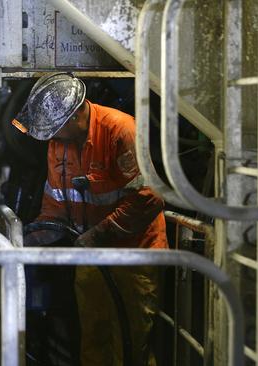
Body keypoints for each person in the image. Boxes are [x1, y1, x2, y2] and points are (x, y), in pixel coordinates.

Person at [12, 72, 168, 366]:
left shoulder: (120, 130)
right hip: (91, 258)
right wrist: (27, 240)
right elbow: (55, 205)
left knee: (131, 345)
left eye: (56, 129)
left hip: (132, 257)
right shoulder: (59, 144)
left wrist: (97, 235)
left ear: (73, 118)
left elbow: (148, 197)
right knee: (93, 342)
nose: (53, 137)